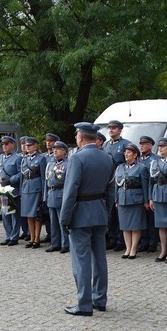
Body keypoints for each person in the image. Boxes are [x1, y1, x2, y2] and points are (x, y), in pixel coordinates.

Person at [60, 122, 115, 316]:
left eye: (76, 135)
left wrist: (64, 217)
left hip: (80, 214)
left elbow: (70, 191)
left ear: (80, 137)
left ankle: (84, 303)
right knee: (99, 258)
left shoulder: (77, 159)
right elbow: (111, 191)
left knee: (81, 261)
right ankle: (100, 299)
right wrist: (106, 212)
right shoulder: (107, 158)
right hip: (99, 212)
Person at [115, 143, 149, 259]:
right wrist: (116, 199)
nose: (126, 154)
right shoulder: (120, 167)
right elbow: (116, 185)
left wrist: (146, 201)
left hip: (135, 199)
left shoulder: (141, 168)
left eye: (129, 152)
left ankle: (134, 248)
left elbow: (145, 185)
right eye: (125, 152)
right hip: (123, 198)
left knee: (135, 225)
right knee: (125, 226)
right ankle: (127, 248)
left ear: (135, 155)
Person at [103, 120, 130, 252]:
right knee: (110, 212)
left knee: (119, 212)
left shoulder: (125, 144)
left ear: (120, 130)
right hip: (108, 183)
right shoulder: (106, 145)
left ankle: (121, 240)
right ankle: (111, 238)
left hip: (119, 182)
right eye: (110, 128)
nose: (111, 130)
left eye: (114, 128)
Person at [0, 135, 23, 246]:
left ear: (12, 144)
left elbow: (21, 173)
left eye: (6, 144)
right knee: (4, 213)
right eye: (3, 144)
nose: (4, 146)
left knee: (14, 214)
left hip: (13, 189)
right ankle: (8, 235)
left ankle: (14, 236)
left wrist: (11, 180)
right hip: (2, 190)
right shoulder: (0, 158)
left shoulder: (18, 158)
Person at [20, 137, 47, 248]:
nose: (28, 147)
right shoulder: (24, 159)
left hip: (36, 188)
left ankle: (37, 239)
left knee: (36, 214)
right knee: (28, 214)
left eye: (30, 145)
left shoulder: (41, 159)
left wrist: (43, 193)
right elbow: (22, 176)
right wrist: (22, 189)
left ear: (35, 146)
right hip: (26, 187)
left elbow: (43, 177)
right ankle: (31, 238)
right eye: (26, 145)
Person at [44, 141, 70, 253]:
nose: (55, 150)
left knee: (62, 221)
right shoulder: (50, 164)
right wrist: (45, 196)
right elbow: (46, 181)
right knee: (53, 221)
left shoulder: (67, 164)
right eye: (54, 148)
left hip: (61, 192)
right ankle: (55, 243)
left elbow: (68, 182)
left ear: (64, 151)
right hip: (51, 193)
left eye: (58, 149)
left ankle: (65, 244)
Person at [137, 136, 160, 253]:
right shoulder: (138, 159)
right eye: (141, 144)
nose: (142, 146)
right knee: (142, 219)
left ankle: (153, 243)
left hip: (150, 191)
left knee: (152, 220)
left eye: (144, 144)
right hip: (139, 193)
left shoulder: (155, 159)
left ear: (151, 146)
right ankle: (144, 242)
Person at [18, 135, 31, 241]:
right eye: (22, 144)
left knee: (30, 212)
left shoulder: (34, 157)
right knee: (22, 212)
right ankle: (24, 230)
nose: (23, 146)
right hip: (22, 187)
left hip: (31, 188)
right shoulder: (19, 157)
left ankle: (30, 232)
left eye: (25, 144)